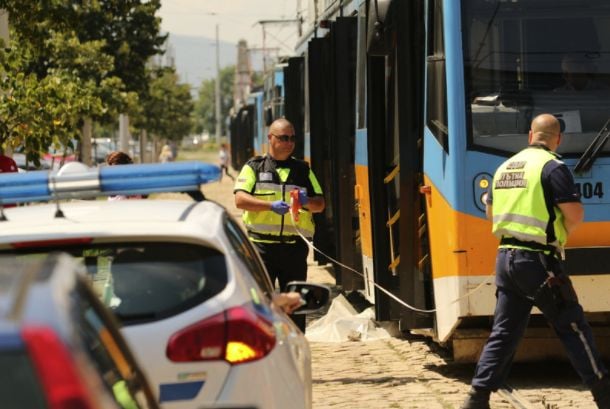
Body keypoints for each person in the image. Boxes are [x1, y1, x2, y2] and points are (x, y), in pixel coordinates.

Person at [461, 114, 610, 409]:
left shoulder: (503, 167)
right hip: (539, 261)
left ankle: (477, 397)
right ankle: (604, 394)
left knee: (505, 331)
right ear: (558, 139)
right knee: (572, 325)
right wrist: (559, 231)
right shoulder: (552, 166)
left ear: (530, 135)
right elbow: (575, 213)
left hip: (505, 259)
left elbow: (490, 213)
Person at [234, 118, 325, 332]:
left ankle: (295, 345)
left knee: (295, 305)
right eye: (284, 138)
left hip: (294, 249)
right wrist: (269, 206)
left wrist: (306, 203)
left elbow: (320, 204)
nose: (289, 142)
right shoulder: (254, 167)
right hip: (261, 248)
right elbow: (240, 200)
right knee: (261, 302)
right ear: (270, 138)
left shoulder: (303, 169)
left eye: (292, 138)